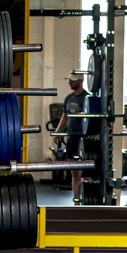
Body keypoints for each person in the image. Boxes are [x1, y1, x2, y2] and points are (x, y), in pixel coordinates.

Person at [53, 73, 89, 202]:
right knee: (74, 173)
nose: (69, 83)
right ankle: (76, 201)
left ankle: (87, 199)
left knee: (86, 173)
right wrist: (57, 132)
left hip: (85, 140)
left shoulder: (87, 98)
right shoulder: (69, 98)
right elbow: (65, 117)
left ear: (80, 81)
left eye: (72, 81)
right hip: (72, 139)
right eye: (69, 80)